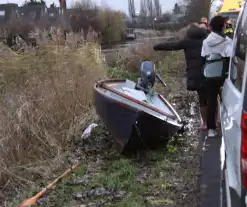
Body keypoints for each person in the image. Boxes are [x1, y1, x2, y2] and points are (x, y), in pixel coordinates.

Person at [153, 22, 209, 129]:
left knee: (202, 99)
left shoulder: (187, 41)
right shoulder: (206, 39)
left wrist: (156, 46)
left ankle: (205, 123)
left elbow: (172, 45)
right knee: (210, 97)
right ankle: (214, 122)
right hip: (209, 72)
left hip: (195, 74)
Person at [201, 15, 233, 137]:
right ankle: (229, 125)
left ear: (211, 28)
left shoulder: (206, 42)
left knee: (212, 101)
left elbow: (203, 58)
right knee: (228, 101)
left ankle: (211, 129)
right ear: (222, 27)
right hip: (225, 75)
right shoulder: (228, 41)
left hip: (210, 75)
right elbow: (230, 56)